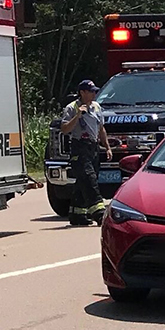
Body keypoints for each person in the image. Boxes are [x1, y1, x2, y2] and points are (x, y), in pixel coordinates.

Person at [59, 80, 111, 226]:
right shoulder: (71, 108)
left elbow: (101, 128)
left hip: (93, 148)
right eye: (91, 91)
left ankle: (77, 214)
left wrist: (106, 146)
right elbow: (64, 129)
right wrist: (78, 116)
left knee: (83, 180)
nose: (94, 94)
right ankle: (99, 213)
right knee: (89, 179)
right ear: (82, 92)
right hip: (79, 148)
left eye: (95, 91)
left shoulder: (96, 107)